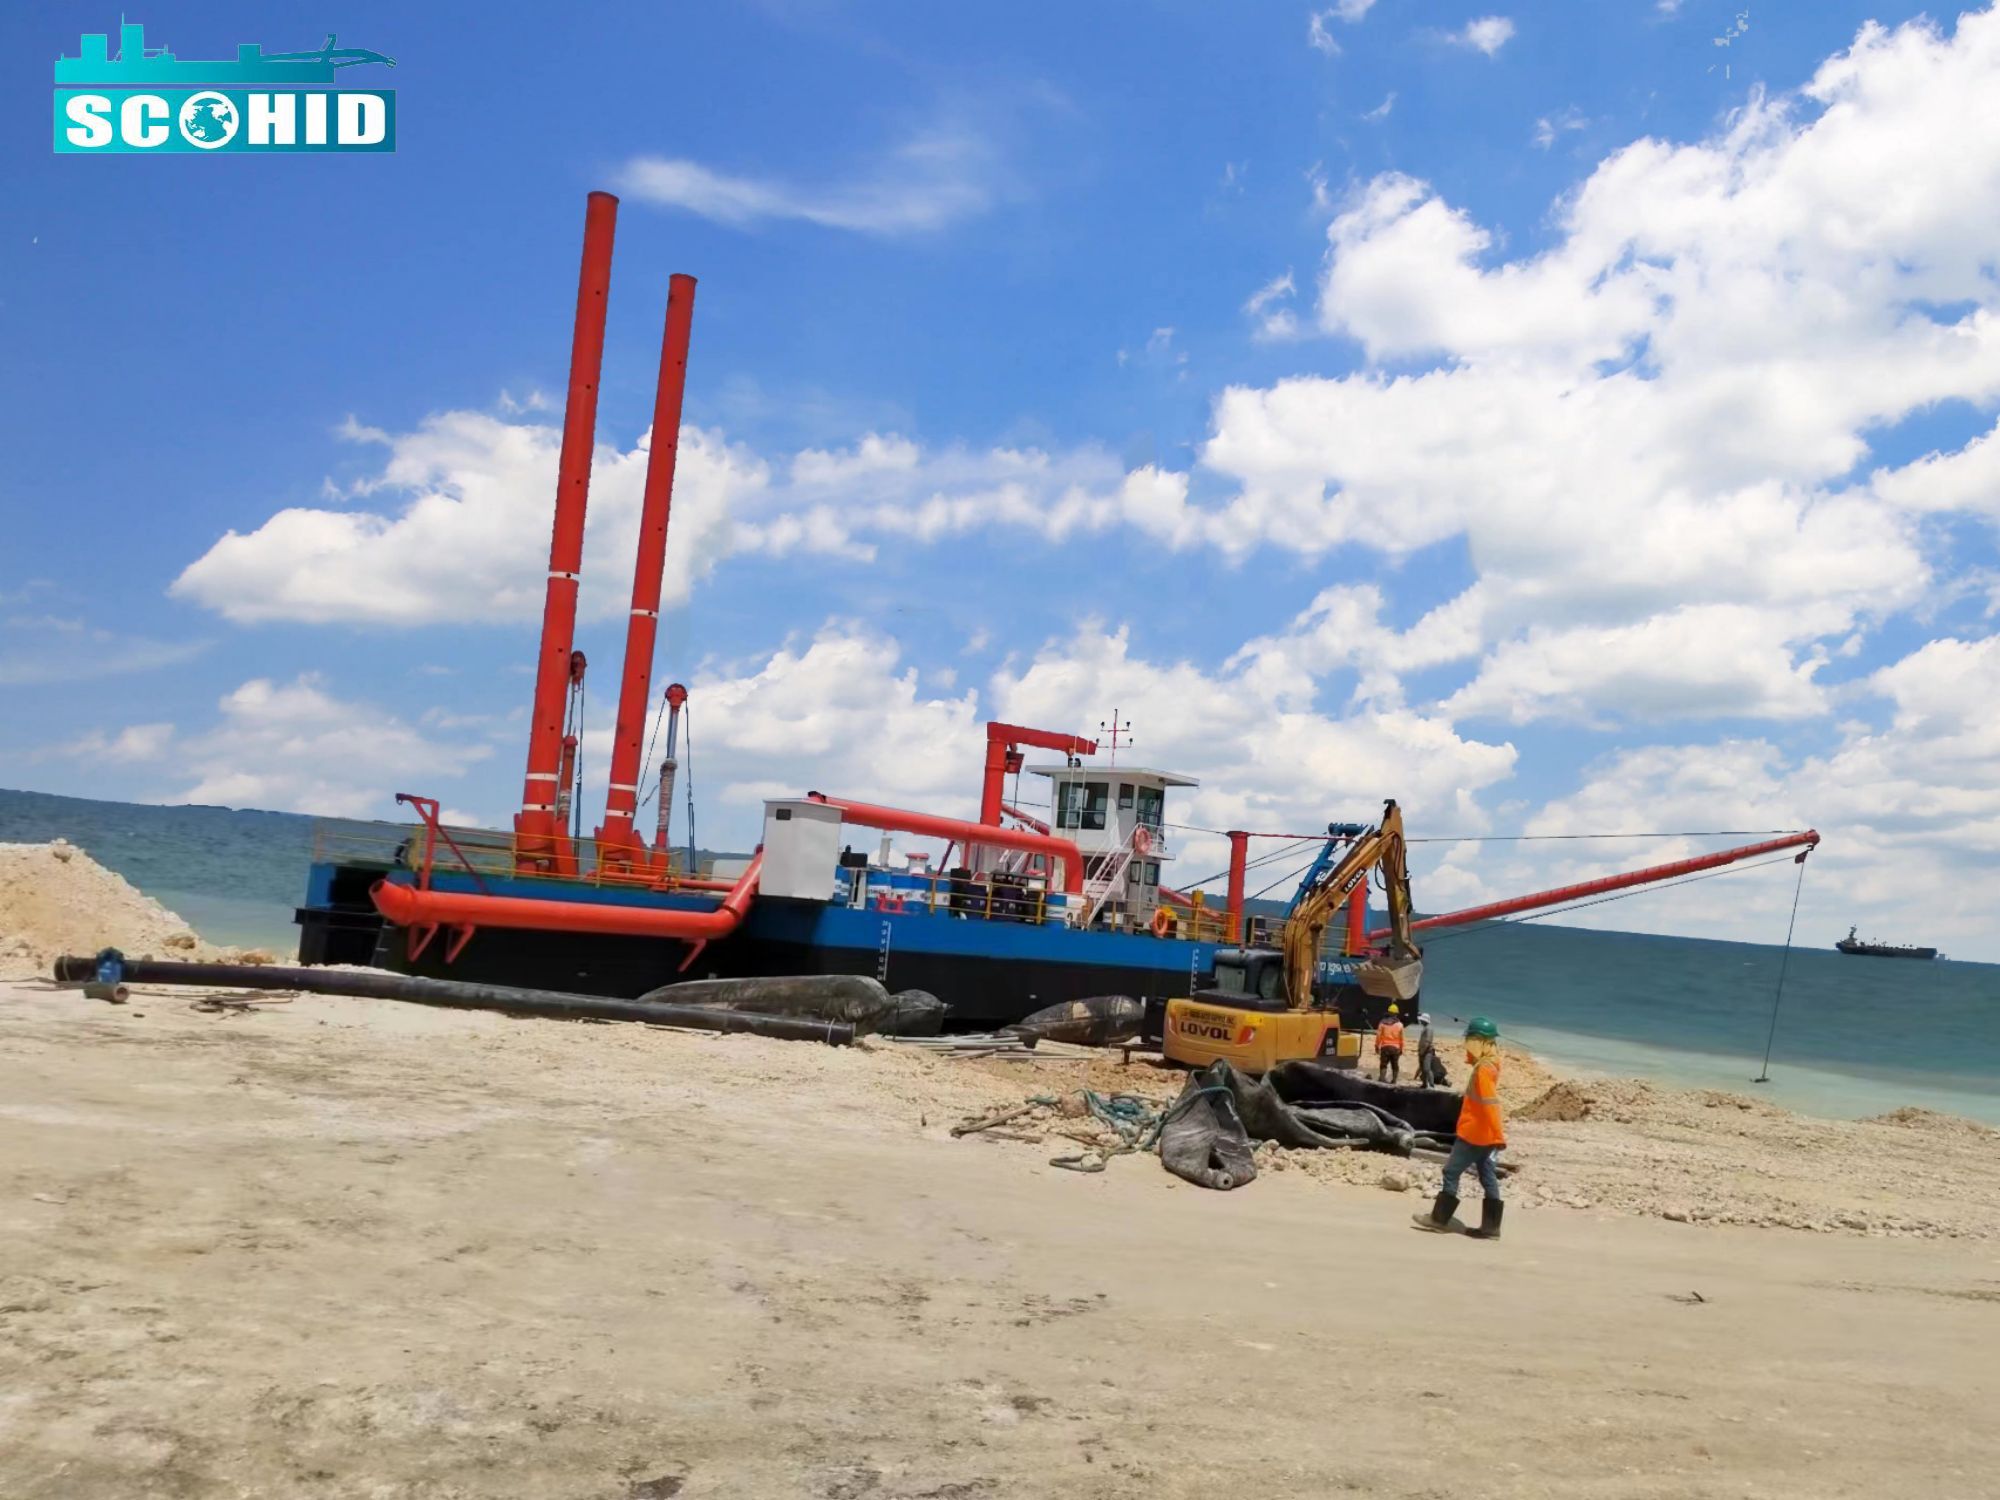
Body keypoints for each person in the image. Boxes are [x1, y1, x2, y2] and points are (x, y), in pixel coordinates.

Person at [1412, 1017, 1506, 1241]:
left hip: (1473, 1134)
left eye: (1471, 1040)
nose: (1467, 1045)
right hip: (1484, 1135)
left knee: (1451, 1172)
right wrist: (1494, 1136)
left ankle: (1439, 1220)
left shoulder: (1483, 1070)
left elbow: (1491, 1104)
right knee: (1487, 1176)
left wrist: (1499, 1135)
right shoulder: (1491, 1065)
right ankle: (1491, 1229)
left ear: (1481, 1042)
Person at [1374, 1004, 1405, 1083]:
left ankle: (1382, 1078)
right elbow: (1402, 1039)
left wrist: (1377, 1046)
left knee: (1383, 1064)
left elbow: (1378, 1036)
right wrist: (1401, 1048)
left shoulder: (1382, 1023)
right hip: (1396, 1048)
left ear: (1388, 1012)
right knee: (1395, 1065)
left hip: (1385, 1047)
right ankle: (1394, 1080)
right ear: (1396, 1014)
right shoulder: (1400, 1025)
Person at [1414, 1011, 1443, 1088]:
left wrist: (1422, 1051)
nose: (1420, 1021)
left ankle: (1431, 1084)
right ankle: (1424, 1084)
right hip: (1423, 1051)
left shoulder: (1429, 1029)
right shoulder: (1425, 1029)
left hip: (1427, 1052)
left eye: (1422, 1020)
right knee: (1423, 1068)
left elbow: (1428, 1041)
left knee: (1427, 1068)